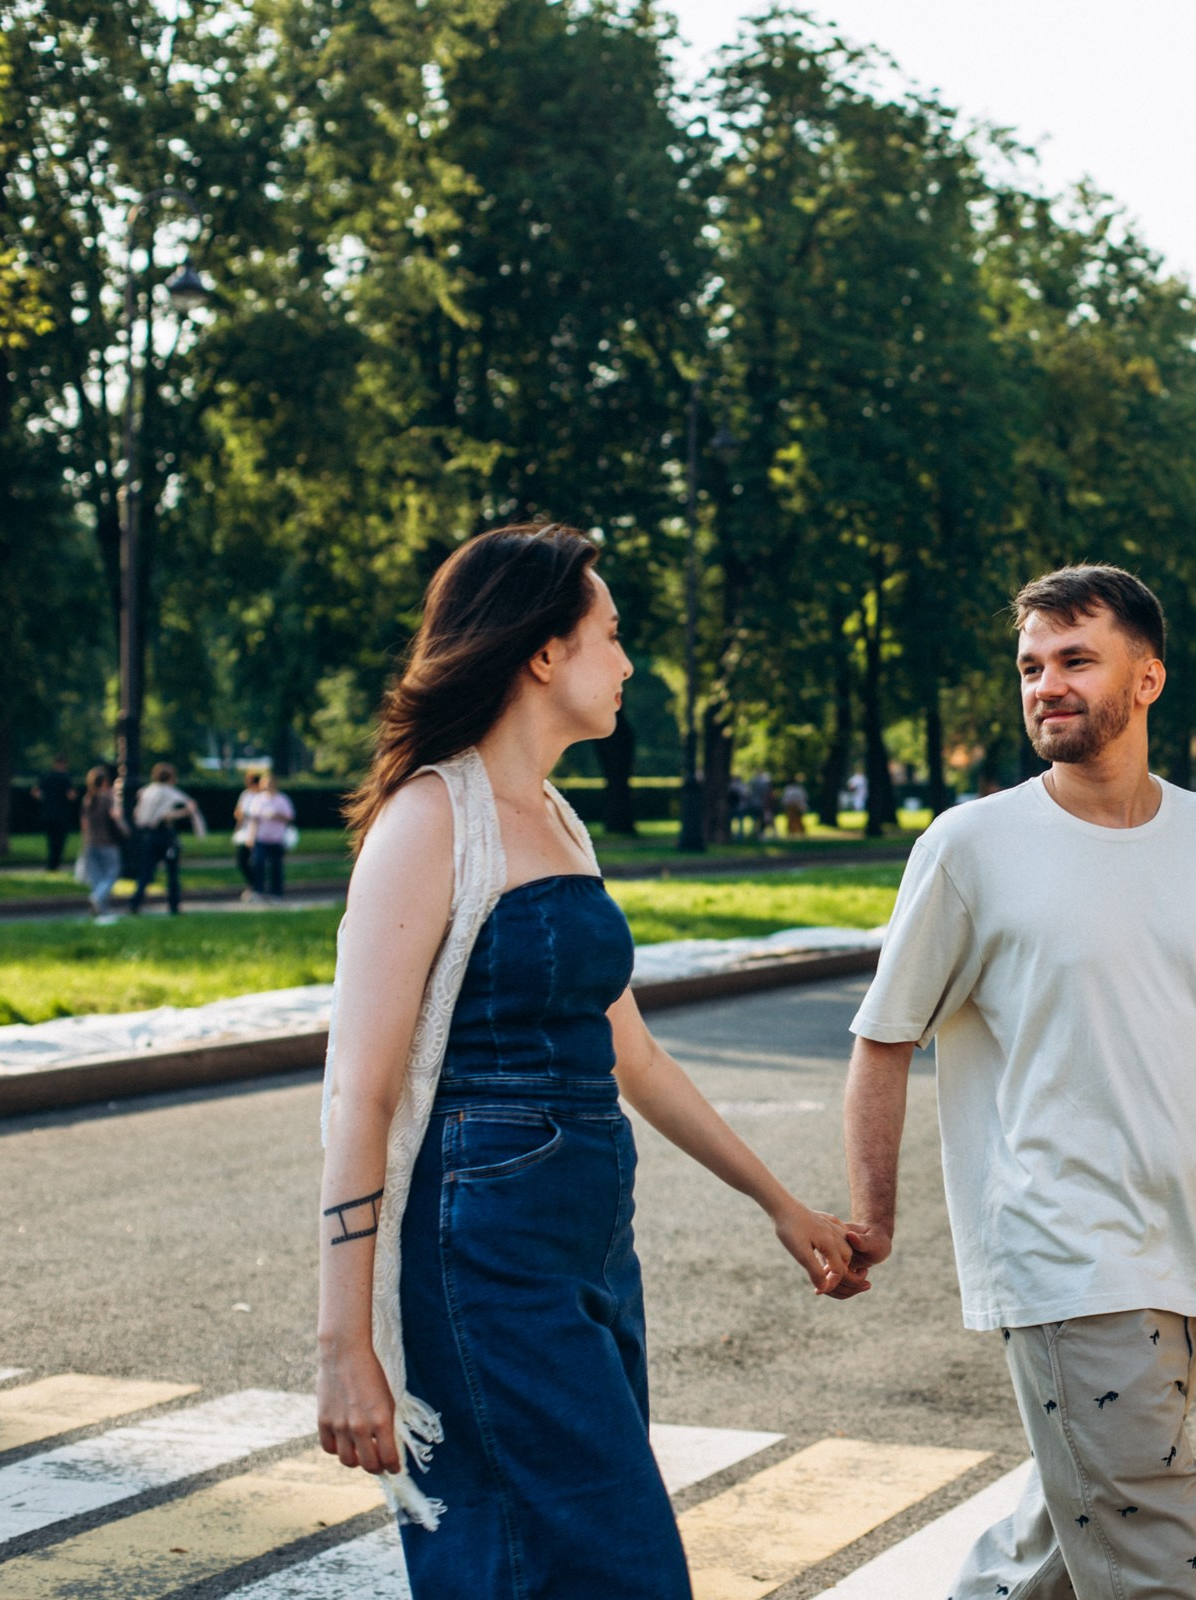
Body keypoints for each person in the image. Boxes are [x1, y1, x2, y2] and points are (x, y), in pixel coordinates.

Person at [314, 523, 855, 1598]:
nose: (631, 660)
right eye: (613, 634)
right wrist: (343, 1343)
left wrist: (779, 1203)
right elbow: (359, 1090)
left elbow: (632, 1053)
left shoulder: (557, 820)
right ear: (544, 652)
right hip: (484, 1254)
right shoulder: (430, 819)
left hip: (593, 1243)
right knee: (609, 1566)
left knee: (547, 1561)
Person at [840, 564, 1196, 1600]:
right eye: (1031, 666)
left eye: (1075, 659)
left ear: (1147, 677)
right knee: (1156, 1552)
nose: (1045, 684)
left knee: (1059, 1543)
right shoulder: (973, 846)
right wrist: (873, 1216)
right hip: (1058, 1250)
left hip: (1175, 1249)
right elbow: (885, 1035)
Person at [127, 764, 206, 915]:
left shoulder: (148, 791)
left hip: (149, 836)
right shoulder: (168, 793)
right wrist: (185, 812)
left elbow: (138, 815)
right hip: (165, 836)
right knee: (172, 872)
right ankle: (174, 906)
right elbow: (165, 815)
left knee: (146, 871)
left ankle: (135, 902)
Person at [238, 768, 297, 898]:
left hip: (277, 838)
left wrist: (276, 816)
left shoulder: (282, 799)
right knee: (258, 863)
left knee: (276, 866)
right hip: (261, 837)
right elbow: (254, 819)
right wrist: (251, 837)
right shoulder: (258, 800)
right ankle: (258, 890)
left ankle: (276, 892)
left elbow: (289, 817)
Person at [74, 766, 125, 918]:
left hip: (91, 842)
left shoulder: (87, 799)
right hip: (107, 842)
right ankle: (97, 899)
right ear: (104, 781)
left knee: (97, 878)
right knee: (111, 874)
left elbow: (84, 825)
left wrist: (84, 843)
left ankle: (101, 909)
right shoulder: (108, 798)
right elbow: (116, 817)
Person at [33, 755, 77, 872]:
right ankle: (55, 864)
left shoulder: (46, 776)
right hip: (61, 813)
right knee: (60, 840)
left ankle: (51, 863)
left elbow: (36, 792)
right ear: (64, 764)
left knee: (51, 840)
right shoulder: (66, 777)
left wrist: (46, 800)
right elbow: (71, 795)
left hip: (48, 812)